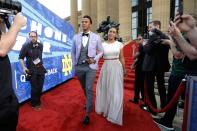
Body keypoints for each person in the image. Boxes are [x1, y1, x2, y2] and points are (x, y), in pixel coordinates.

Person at [71, 15, 103, 125]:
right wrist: (74, 64)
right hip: (79, 66)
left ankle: (87, 113)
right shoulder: (76, 37)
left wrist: (94, 60)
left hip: (91, 67)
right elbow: (73, 52)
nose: (83, 23)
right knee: (84, 87)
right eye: (82, 22)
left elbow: (101, 51)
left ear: (90, 24)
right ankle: (89, 101)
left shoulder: (96, 37)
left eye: (86, 22)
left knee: (89, 88)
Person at [0, 13, 26, 131]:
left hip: (6, 97)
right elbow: (2, 49)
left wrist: (4, 21)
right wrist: (17, 24)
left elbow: (8, 43)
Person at [95, 27, 126, 126]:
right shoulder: (102, 45)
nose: (111, 33)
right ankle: (106, 108)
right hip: (106, 67)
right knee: (105, 88)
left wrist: (124, 69)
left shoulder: (119, 44)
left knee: (116, 90)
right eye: (110, 31)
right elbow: (97, 56)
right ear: (107, 33)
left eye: (114, 32)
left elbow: (121, 57)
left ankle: (114, 112)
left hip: (117, 67)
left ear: (116, 34)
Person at [142, 20, 170, 115]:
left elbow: (148, 50)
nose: (149, 29)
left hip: (151, 66)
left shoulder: (153, 37)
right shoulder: (165, 37)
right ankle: (164, 106)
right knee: (161, 87)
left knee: (150, 87)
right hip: (160, 66)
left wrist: (144, 45)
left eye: (150, 27)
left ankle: (152, 108)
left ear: (157, 26)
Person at [19, 31, 46, 111]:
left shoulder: (41, 45)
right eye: (31, 36)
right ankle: (34, 104)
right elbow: (21, 58)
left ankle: (38, 101)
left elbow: (39, 57)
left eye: (34, 36)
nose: (33, 38)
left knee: (40, 87)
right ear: (29, 37)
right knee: (34, 88)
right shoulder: (25, 46)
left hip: (40, 68)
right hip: (31, 70)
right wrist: (24, 67)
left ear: (37, 37)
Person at [129, 35, 145, 104]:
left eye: (140, 39)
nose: (138, 40)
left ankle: (136, 99)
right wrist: (133, 65)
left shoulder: (141, 47)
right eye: (137, 39)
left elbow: (134, 57)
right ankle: (143, 98)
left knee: (138, 84)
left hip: (140, 68)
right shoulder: (142, 47)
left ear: (142, 40)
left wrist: (133, 49)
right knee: (141, 84)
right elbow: (138, 59)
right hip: (142, 67)